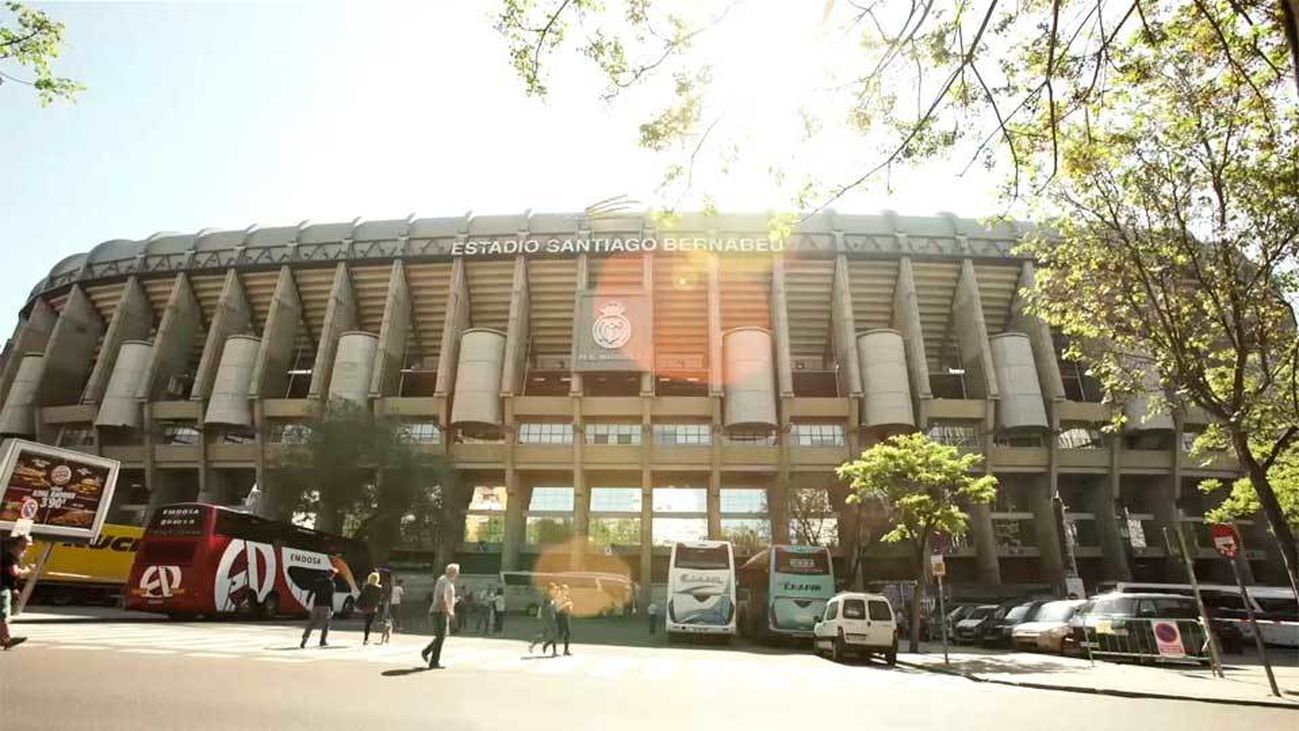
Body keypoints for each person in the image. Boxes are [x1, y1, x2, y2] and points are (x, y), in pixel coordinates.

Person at [421, 563, 458, 669]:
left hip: (442, 612)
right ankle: (434, 661)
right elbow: (441, 598)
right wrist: (448, 612)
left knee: (441, 637)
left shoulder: (448, 582)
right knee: (440, 637)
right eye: (456, 572)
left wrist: (453, 603)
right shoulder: (443, 581)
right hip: (439, 612)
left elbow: (447, 598)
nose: (457, 574)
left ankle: (426, 652)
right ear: (452, 572)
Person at [1, 534, 34, 651]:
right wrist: (26, 570)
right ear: (20, 543)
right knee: (3, 614)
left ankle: (4, 638)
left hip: (5, 587)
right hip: (2, 588)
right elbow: (14, 572)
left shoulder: (9, 554)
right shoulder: (10, 556)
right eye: (27, 544)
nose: (28, 547)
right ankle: (6, 639)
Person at [300, 567, 337, 648]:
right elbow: (330, 598)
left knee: (312, 623)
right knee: (326, 624)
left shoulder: (317, 582)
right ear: (332, 575)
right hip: (325, 606)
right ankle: (322, 641)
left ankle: (305, 638)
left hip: (316, 605)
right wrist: (332, 609)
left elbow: (311, 591)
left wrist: (308, 600)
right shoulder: (331, 584)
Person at [529, 583, 559, 655]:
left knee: (546, 634)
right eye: (554, 588)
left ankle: (533, 644)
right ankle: (553, 651)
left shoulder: (550, 596)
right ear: (550, 589)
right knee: (551, 634)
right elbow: (546, 608)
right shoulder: (547, 597)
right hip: (549, 619)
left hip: (551, 618)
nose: (555, 590)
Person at [357, 571, 384, 645]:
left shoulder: (366, 587)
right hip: (374, 608)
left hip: (366, 608)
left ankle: (366, 638)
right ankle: (369, 637)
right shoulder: (379, 589)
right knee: (371, 622)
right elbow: (381, 598)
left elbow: (362, 596)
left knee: (367, 623)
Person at [555, 584, 573, 656]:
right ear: (561, 590)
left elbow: (570, 608)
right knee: (560, 634)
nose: (566, 591)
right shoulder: (558, 598)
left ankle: (566, 650)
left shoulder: (567, 598)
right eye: (565, 590)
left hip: (566, 616)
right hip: (560, 616)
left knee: (568, 633)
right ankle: (548, 644)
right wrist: (565, 605)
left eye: (567, 590)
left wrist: (570, 606)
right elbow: (557, 609)